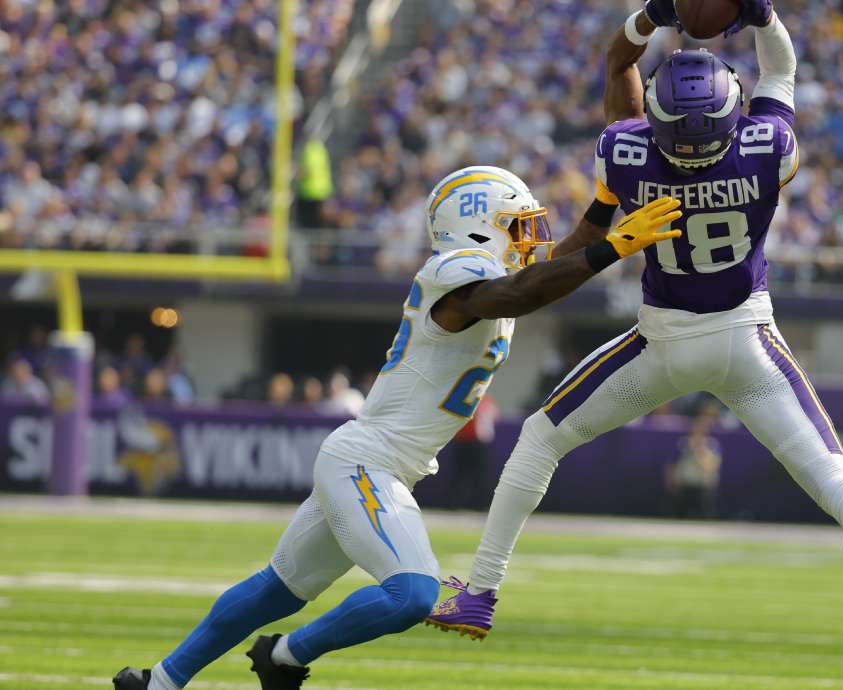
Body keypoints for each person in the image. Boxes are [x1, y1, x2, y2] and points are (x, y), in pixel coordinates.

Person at [426, 0, 843, 642]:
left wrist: (651, 16)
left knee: (539, 439)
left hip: (660, 341)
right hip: (749, 339)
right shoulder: (766, 148)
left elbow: (618, 66)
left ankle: (479, 590)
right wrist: (763, 16)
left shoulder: (626, 152)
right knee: (836, 475)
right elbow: (781, 72)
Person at [111, 165, 682, 690]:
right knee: (413, 594)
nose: (531, 236)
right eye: (517, 224)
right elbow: (523, 291)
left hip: (380, 463)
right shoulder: (455, 274)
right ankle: (284, 657)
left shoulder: (490, 274)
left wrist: (606, 202)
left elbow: (553, 266)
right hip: (369, 461)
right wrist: (611, 250)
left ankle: (158, 681)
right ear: (479, 227)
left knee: (277, 587)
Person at [666, 403, 723, 519]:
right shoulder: (683, 443)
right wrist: (671, 481)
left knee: (703, 518)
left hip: (702, 489)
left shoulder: (712, 445)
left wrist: (699, 451)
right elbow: (672, 465)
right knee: (678, 517)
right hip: (685, 486)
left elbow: (712, 467)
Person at [447, 395, 500, 510]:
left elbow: (493, 417)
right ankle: (454, 504)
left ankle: (482, 505)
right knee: (460, 474)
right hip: (463, 441)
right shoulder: (468, 399)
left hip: (478, 443)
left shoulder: (486, 401)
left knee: (481, 476)